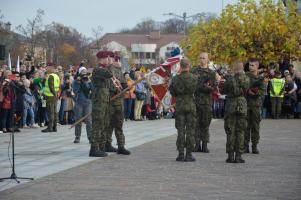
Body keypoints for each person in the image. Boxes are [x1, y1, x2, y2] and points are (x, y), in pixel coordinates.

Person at [220, 61, 249, 163]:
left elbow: (222, 90)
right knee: (240, 131)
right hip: (242, 105)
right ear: (242, 69)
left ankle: (231, 156)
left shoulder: (230, 80)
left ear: (234, 69)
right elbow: (246, 90)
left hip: (231, 105)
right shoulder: (247, 79)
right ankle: (239, 156)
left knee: (230, 130)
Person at [169, 58, 198, 162]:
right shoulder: (194, 78)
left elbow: (172, 92)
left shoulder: (175, 79)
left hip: (180, 106)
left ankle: (181, 154)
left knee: (180, 130)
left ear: (180, 66)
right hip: (190, 105)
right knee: (190, 130)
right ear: (188, 65)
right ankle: (189, 154)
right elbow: (196, 90)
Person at [104, 54, 131, 155]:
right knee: (108, 125)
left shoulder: (119, 71)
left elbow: (123, 84)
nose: (119, 62)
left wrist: (124, 88)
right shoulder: (107, 71)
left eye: (119, 60)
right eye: (117, 60)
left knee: (119, 125)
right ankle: (107, 144)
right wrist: (117, 89)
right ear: (112, 60)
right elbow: (108, 86)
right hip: (110, 102)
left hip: (119, 102)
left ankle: (121, 146)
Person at [191, 52, 217, 153]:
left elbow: (214, 86)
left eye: (204, 58)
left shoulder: (211, 73)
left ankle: (205, 145)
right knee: (196, 124)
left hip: (206, 102)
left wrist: (208, 87)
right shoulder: (194, 71)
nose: (202, 60)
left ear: (207, 60)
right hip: (196, 100)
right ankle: (196, 144)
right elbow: (191, 84)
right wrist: (200, 87)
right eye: (200, 58)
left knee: (205, 123)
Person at [89, 51, 113, 157]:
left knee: (104, 124)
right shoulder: (98, 69)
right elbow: (109, 74)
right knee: (97, 124)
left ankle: (101, 147)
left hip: (104, 101)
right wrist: (111, 65)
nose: (109, 60)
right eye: (108, 58)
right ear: (102, 59)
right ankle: (94, 148)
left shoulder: (103, 69)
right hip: (99, 102)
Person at [245, 58, 265, 154]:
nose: (250, 67)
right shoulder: (245, 76)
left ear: (257, 66)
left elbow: (263, 90)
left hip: (256, 105)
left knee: (256, 127)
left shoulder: (261, 78)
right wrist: (247, 91)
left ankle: (254, 146)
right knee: (245, 126)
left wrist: (255, 92)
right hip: (246, 105)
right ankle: (245, 146)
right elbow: (241, 88)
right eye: (249, 65)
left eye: (252, 65)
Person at [72, 67, 93, 143]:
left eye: (85, 72)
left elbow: (93, 89)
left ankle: (90, 137)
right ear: (80, 73)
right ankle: (77, 137)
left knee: (89, 120)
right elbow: (75, 91)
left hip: (87, 102)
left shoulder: (88, 80)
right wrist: (78, 82)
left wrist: (89, 82)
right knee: (78, 120)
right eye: (82, 72)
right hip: (79, 103)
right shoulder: (76, 81)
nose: (84, 74)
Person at [42, 67, 60, 132]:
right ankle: (54, 127)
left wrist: (54, 95)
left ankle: (50, 127)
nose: (46, 70)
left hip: (50, 96)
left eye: (47, 69)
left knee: (50, 112)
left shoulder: (50, 77)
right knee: (55, 112)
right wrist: (56, 95)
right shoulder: (57, 76)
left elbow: (51, 87)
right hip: (54, 96)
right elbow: (58, 86)